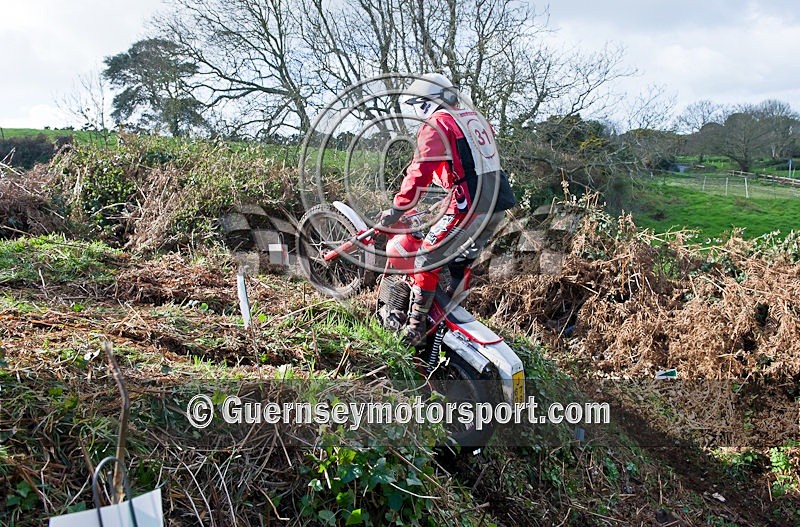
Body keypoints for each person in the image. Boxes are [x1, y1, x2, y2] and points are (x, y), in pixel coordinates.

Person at [379, 73, 517, 345]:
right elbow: (469, 164)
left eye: (417, 105)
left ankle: (415, 328)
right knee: (457, 258)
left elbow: (420, 172)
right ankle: (448, 305)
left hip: (470, 207)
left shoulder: (437, 123)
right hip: (496, 204)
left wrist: (397, 208)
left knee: (426, 259)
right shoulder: (474, 119)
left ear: (427, 102)